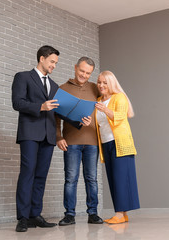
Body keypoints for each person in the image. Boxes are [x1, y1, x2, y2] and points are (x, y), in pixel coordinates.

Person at [12, 45, 60, 232]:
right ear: (42, 58)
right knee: (28, 173)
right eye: (52, 61)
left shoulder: (54, 85)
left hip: (48, 136)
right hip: (30, 134)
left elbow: (58, 110)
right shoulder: (23, 77)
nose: (54, 65)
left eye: (56, 63)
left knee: (41, 176)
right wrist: (41, 106)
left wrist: (80, 120)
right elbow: (17, 103)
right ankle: (23, 218)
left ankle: (35, 215)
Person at [56, 57, 103, 225]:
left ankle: (93, 213)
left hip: (92, 142)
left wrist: (95, 118)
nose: (84, 75)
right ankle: (69, 215)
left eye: (88, 73)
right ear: (75, 68)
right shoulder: (62, 89)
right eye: (82, 71)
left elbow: (105, 106)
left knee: (92, 179)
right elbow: (55, 116)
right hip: (71, 141)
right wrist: (59, 137)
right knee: (71, 179)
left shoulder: (95, 88)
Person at [95, 71, 140, 224]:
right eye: (99, 82)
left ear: (111, 84)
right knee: (113, 179)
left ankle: (120, 214)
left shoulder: (119, 97)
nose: (101, 85)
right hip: (106, 143)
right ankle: (122, 214)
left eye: (105, 82)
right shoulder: (98, 100)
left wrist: (105, 109)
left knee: (121, 179)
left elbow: (120, 116)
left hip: (120, 143)